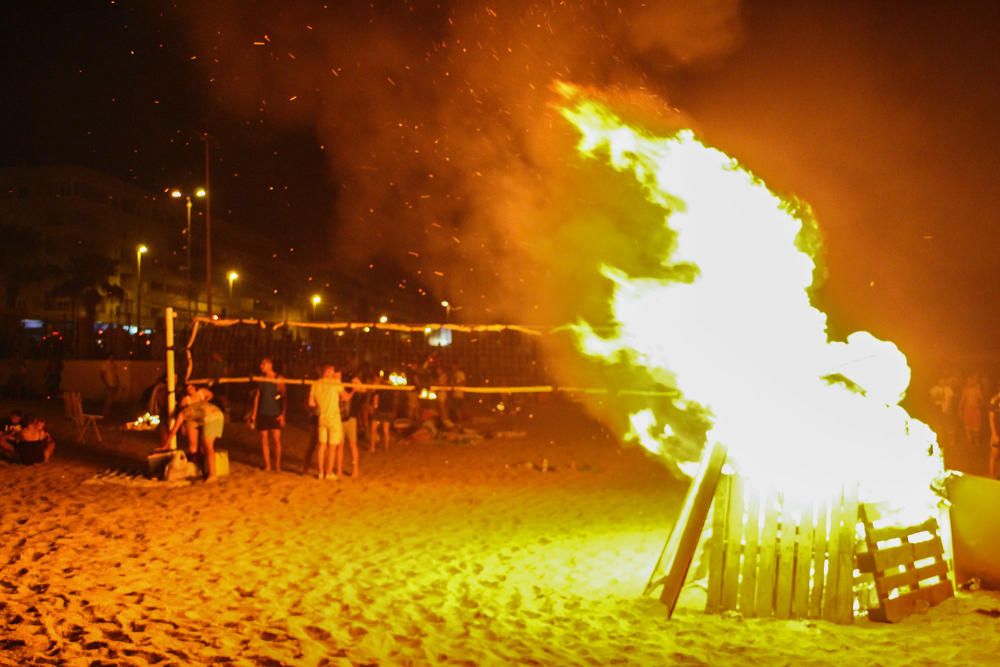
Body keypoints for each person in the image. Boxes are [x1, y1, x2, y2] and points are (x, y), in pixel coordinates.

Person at [164, 383, 225, 481]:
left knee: (208, 445)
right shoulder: (193, 409)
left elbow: (174, 429)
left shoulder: (183, 414)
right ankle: (201, 470)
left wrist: (166, 444)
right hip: (214, 415)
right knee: (201, 446)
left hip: (212, 417)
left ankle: (212, 474)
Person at [307, 364, 345, 479]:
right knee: (332, 447)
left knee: (322, 446)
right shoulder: (335, 383)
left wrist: (320, 404)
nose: (334, 374)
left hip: (322, 417)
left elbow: (311, 403)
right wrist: (353, 390)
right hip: (333, 418)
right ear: (328, 372)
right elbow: (346, 397)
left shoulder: (316, 384)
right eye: (333, 371)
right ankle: (328, 473)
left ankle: (320, 472)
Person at [250, 357, 286, 472]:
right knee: (264, 439)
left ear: (270, 365)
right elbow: (257, 397)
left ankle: (277, 465)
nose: (261, 366)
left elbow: (284, 397)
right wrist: (254, 414)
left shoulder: (278, 379)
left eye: (263, 364)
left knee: (276, 440)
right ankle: (267, 465)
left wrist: (282, 414)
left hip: (275, 413)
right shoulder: (261, 379)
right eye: (261, 364)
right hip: (262, 412)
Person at [340, 372, 365, 478]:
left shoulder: (357, 391)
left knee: (352, 445)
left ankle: (355, 470)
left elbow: (364, 390)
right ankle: (339, 470)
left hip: (351, 419)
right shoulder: (341, 388)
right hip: (340, 419)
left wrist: (357, 384)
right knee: (339, 446)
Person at [369, 373, 394, 453]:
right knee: (386, 431)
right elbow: (394, 400)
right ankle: (386, 448)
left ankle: (372, 447)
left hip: (379, 411)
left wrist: (374, 407)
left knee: (373, 429)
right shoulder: (391, 388)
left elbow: (376, 399)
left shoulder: (380, 387)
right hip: (388, 411)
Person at [958, 375, 985, 448]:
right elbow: (962, 400)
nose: (969, 382)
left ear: (973, 381)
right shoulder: (965, 390)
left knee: (976, 426)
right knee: (967, 426)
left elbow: (982, 400)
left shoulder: (977, 389)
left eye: (970, 380)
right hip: (967, 409)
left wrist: (979, 405)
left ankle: (977, 442)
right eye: (967, 381)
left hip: (975, 410)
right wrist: (960, 409)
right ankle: (969, 442)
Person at [100, 353, 120, 418]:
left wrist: (117, 383)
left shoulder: (114, 365)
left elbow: (116, 375)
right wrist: (106, 383)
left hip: (114, 384)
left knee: (111, 400)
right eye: (111, 357)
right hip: (109, 384)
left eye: (113, 357)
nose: (112, 358)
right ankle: (105, 414)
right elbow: (102, 375)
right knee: (108, 400)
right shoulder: (105, 364)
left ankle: (108, 413)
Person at [989, 388, 1000, 479]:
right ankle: (992, 477)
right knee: (994, 454)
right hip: (997, 432)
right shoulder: (994, 400)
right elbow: (991, 419)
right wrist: (994, 434)